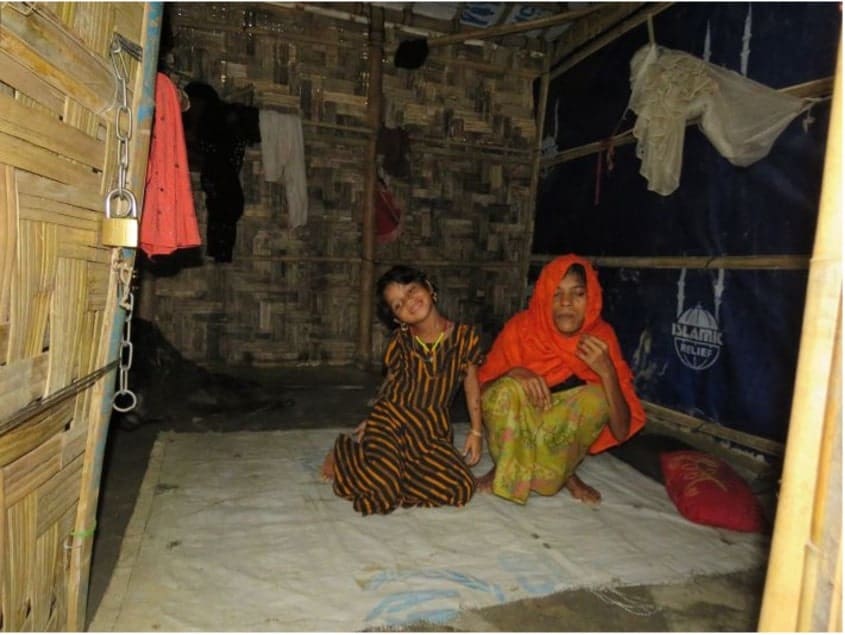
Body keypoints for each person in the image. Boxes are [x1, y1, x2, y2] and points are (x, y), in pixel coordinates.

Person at [476, 254, 646, 505]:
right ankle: (504, 465)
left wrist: (607, 372)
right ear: (544, 297)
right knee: (504, 391)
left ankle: (565, 474)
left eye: (578, 293)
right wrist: (513, 374)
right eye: (556, 294)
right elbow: (480, 392)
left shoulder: (601, 338)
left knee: (598, 399)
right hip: (521, 420)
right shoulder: (521, 328)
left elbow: (621, 431)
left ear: (591, 297)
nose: (566, 302)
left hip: (557, 434)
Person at [320, 265, 485, 515]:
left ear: (429, 288)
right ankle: (345, 455)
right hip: (392, 420)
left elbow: (472, 385)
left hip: (431, 431)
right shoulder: (401, 341)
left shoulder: (465, 337)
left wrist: (476, 431)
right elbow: (391, 382)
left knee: (461, 487)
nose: (409, 302)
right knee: (383, 492)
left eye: (411, 290)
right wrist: (374, 418)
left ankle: (391, 469)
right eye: (398, 305)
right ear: (398, 319)